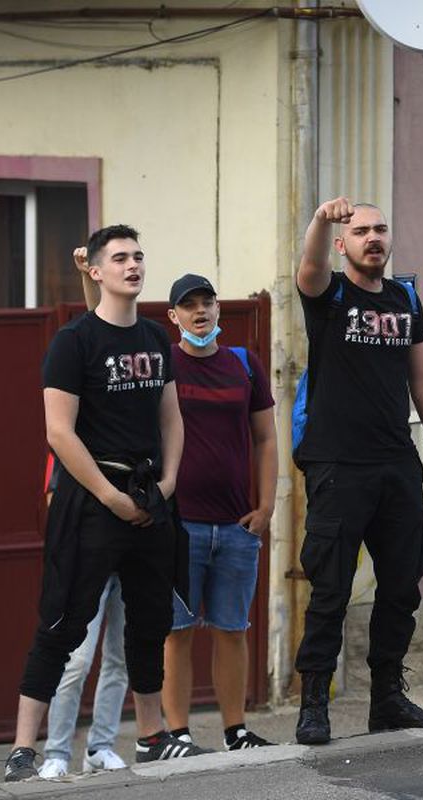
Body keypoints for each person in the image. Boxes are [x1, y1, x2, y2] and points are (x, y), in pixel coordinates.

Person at [6, 225, 204, 783]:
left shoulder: (154, 341)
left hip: (149, 501)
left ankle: (150, 737)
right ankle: (24, 750)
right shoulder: (74, 342)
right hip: (91, 502)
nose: (133, 265)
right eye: (120, 258)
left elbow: (172, 418)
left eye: (139, 256)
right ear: (96, 271)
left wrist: (165, 484)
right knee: (63, 624)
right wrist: (109, 496)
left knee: (149, 623)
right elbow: (59, 433)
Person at [293, 198, 423, 745]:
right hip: (337, 464)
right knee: (330, 589)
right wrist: (320, 219)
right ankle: (313, 703)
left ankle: (387, 698)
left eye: (381, 229)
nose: (373, 238)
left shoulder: (405, 298)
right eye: (360, 231)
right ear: (344, 245)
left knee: (402, 585)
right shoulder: (330, 294)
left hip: (395, 464)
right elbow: (308, 271)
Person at [157, 273, 278, 750]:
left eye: (207, 302)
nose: (200, 312)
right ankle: (178, 734)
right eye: (189, 306)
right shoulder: (163, 366)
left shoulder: (244, 365)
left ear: (218, 310)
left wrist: (267, 506)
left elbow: (266, 439)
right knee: (177, 634)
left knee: (232, 630)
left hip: (235, 526)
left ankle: (236, 731)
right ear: (174, 317)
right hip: (179, 526)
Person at [38, 447, 128, 778]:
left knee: (120, 659)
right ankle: (57, 752)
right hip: (88, 563)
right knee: (76, 661)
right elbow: (53, 495)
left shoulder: (137, 427)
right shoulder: (73, 434)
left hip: (131, 559)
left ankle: (101, 746)